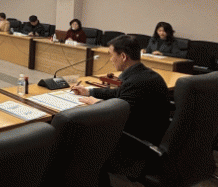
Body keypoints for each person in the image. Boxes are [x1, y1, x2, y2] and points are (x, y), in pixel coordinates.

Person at [70, 34, 170, 174]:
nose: (111, 60)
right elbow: (118, 94)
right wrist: (89, 91)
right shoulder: (143, 74)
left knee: (80, 135)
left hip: (136, 146)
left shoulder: (135, 82)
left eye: (111, 55)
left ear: (123, 56)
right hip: (153, 133)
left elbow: (120, 117)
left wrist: (97, 103)